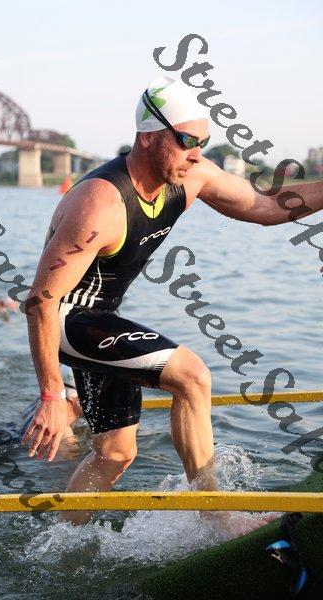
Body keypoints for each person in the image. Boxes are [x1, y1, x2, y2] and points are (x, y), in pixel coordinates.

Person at [22, 75, 323, 526]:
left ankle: (58, 544)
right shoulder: (100, 203)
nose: (196, 153)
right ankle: (216, 517)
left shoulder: (190, 176)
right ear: (147, 136)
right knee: (192, 376)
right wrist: (50, 394)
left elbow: (266, 206)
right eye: (186, 141)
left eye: (203, 142)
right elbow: (41, 301)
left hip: (101, 320)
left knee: (116, 453)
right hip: (64, 321)